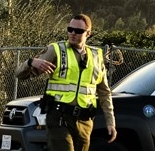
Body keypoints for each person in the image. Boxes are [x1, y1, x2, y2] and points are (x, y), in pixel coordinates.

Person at [16, 14, 117, 151]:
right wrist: (31, 62)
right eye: (70, 29)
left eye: (78, 31)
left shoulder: (96, 56)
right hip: (59, 117)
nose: (73, 33)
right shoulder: (56, 50)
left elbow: (104, 92)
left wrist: (110, 121)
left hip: (85, 121)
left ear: (88, 33)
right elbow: (19, 75)